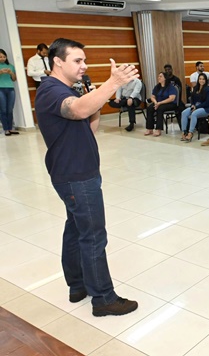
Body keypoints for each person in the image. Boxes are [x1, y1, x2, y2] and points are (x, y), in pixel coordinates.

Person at [34, 38, 138, 316]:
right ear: (58, 61)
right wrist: (112, 84)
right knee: (93, 236)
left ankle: (77, 285)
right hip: (76, 176)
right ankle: (103, 298)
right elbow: (77, 110)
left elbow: (89, 125)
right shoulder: (50, 90)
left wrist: (96, 97)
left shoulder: (66, 89)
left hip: (77, 172)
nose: (84, 65)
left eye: (84, 60)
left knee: (76, 230)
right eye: (77, 60)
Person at [180, 73, 209, 142]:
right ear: (198, 80)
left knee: (194, 113)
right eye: (200, 79)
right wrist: (192, 105)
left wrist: (196, 107)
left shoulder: (208, 89)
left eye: (203, 79)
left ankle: (190, 133)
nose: (201, 81)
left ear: (206, 80)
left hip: (205, 108)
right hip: (195, 107)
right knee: (184, 113)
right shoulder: (195, 88)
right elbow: (192, 99)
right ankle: (184, 132)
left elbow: (207, 103)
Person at [144, 72, 177, 137]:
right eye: (158, 76)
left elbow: (172, 98)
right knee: (149, 108)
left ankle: (158, 129)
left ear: (165, 78)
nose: (158, 77)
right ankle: (150, 128)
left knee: (160, 109)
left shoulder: (171, 87)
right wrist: (156, 103)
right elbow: (152, 97)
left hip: (169, 104)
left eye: (160, 76)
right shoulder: (157, 86)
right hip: (158, 103)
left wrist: (160, 103)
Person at [0, 49, 18, 136]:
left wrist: (11, 73)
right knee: (3, 110)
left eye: (4, 56)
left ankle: (11, 128)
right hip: (0, 89)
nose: (2, 58)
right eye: (0, 57)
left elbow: (14, 79)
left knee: (10, 110)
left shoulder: (10, 66)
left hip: (10, 89)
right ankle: (6, 129)